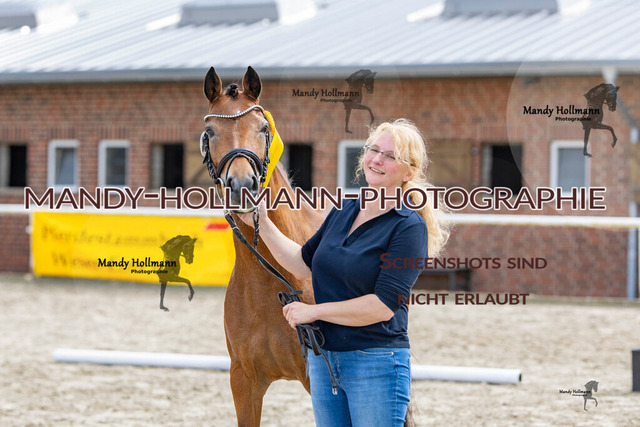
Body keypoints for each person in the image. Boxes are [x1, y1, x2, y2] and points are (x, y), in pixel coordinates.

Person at [239, 118, 450, 426]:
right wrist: (262, 223)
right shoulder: (344, 210)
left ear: (409, 172)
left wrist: (314, 312)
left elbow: (382, 306)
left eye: (390, 156)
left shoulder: (408, 227)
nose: (377, 160)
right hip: (324, 361)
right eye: (373, 150)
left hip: (375, 363)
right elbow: (302, 263)